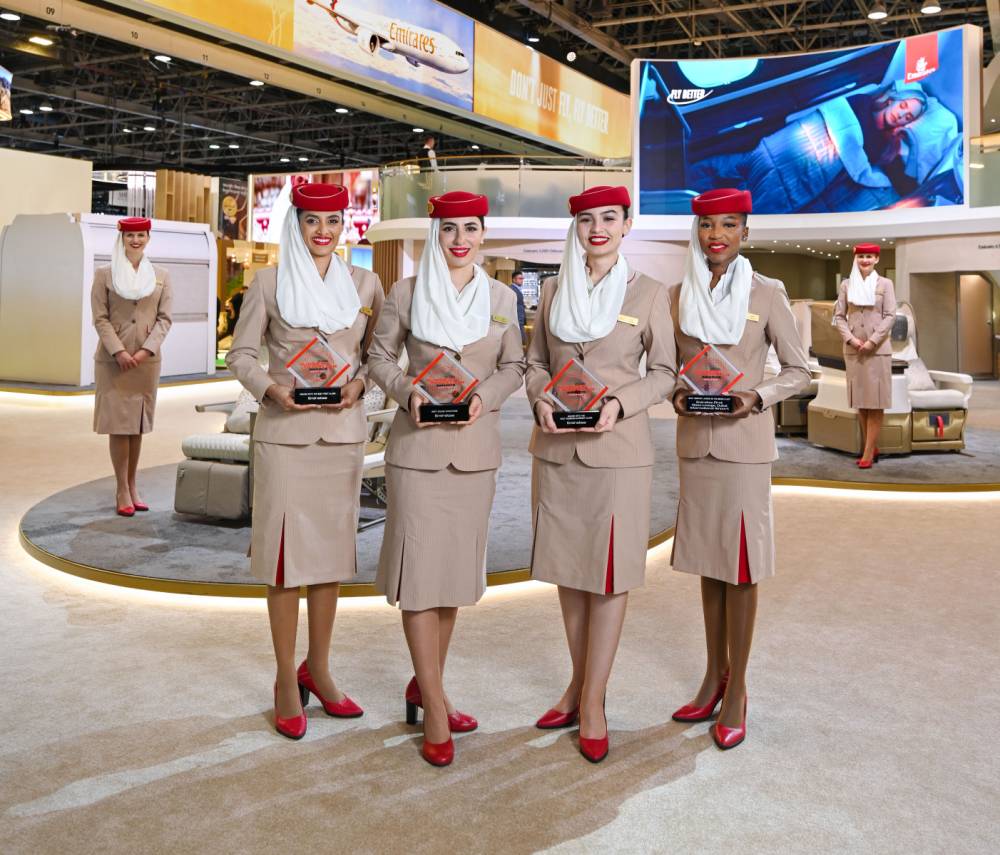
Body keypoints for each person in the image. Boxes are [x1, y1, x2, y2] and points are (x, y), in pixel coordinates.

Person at [367, 191, 525, 767]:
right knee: (419, 578)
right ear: (437, 234)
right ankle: (435, 706)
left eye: (470, 229)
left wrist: (486, 396)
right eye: (450, 229)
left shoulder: (503, 299)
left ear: (483, 234)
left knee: (454, 579)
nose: (461, 240)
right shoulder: (406, 292)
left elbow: (515, 366)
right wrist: (408, 391)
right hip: (417, 450)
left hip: (475, 453)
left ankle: (426, 684)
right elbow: (378, 359)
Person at [226, 183, 384, 740]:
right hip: (285, 437)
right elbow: (240, 355)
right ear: (296, 225)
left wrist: (360, 385)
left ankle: (318, 668)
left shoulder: (365, 284)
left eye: (333, 221)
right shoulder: (267, 283)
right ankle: (284, 680)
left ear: (345, 225)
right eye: (312, 220)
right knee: (284, 561)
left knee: (330, 560)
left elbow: (376, 355)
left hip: (341, 436)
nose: (323, 231)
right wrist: (270, 390)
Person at [525, 185, 677, 763]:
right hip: (558, 449)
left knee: (609, 576)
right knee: (569, 572)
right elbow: (535, 363)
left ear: (626, 224)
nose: (597, 229)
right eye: (587, 219)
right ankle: (576, 684)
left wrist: (620, 401)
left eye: (609, 218)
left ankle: (593, 700)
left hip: (618, 450)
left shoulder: (650, 292)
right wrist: (540, 396)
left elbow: (665, 373)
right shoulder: (552, 289)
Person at [669, 188, 810, 750]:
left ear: (745, 233)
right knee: (710, 564)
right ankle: (713, 675)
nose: (717, 235)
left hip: (745, 446)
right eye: (708, 225)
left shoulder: (767, 292)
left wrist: (757, 395)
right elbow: (668, 368)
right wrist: (676, 395)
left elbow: (799, 370)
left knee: (742, 568)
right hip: (696, 445)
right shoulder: (678, 295)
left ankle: (738, 690)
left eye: (729, 224)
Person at [687, 81, 961, 213]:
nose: (903, 115)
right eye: (904, 107)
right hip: (792, 142)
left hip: (818, 167)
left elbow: (866, 171)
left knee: (759, 196)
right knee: (736, 166)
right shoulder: (862, 100)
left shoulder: (887, 145)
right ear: (894, 99)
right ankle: (684, 183)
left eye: (909, 117)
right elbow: (833, 111)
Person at [91, 216, 173, 516]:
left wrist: (145, 350)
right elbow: (100, 318)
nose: (135, 240)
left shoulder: (161, 275)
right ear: (122, 239)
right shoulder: (105, 274)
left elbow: (165, 319)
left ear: (148, 237)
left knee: (137, 426)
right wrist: (119, 351)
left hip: (146, 362)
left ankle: (133, 484)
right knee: (119, 425)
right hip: (113, 362)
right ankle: (121, 488)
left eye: (140, 235)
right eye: (130, 236)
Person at [833, 243, 897, 469]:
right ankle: (871, 447)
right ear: (855, 259)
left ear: (876, 259)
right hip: (854, 350)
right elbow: (839, 316)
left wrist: (872, 341)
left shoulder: (885, 284)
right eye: (861, 257)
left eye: (869, 256)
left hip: (878, 351)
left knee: (876, 402)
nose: (865, 260)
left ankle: (868, 451)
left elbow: (890, 316)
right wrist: (850, 339)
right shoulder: (846, 285)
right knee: (861, 401)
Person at [510, 271, 527, 344]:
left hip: (519, 319)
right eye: (520, 278)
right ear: (514, 279)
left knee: (520, 340)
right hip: (516, 319)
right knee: (519, 340)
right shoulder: (511, 289)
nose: (522, 280)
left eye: (522, 278)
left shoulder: (516, 289)